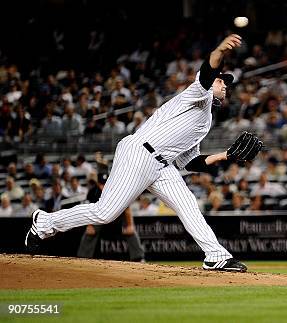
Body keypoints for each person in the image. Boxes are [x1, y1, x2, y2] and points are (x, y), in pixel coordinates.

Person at [25, 34, 263, 272]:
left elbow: (188, 161)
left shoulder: (205, 120)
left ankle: (215, 255)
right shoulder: (198, 95)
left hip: (162, 165)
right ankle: (45, 222)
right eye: (222, 81)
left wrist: (226, 156)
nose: (225, 84)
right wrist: (220, 49)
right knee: (105, 213)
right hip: (139, 152)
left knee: (187, 203)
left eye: (226, 82)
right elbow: (209, 67)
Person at [77, 173, 145, 262]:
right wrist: (89, 225)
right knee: (89, 231)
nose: (103, 186)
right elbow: (90, 210)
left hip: (118, 216)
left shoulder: (118, 190)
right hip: (100, 217)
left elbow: (127, 209)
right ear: (98, 183)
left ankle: (139, 258)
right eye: (101, 184)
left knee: (131, 231)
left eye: (105, 183)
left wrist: (130, 225)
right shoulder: (93, 192)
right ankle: (83, 258)